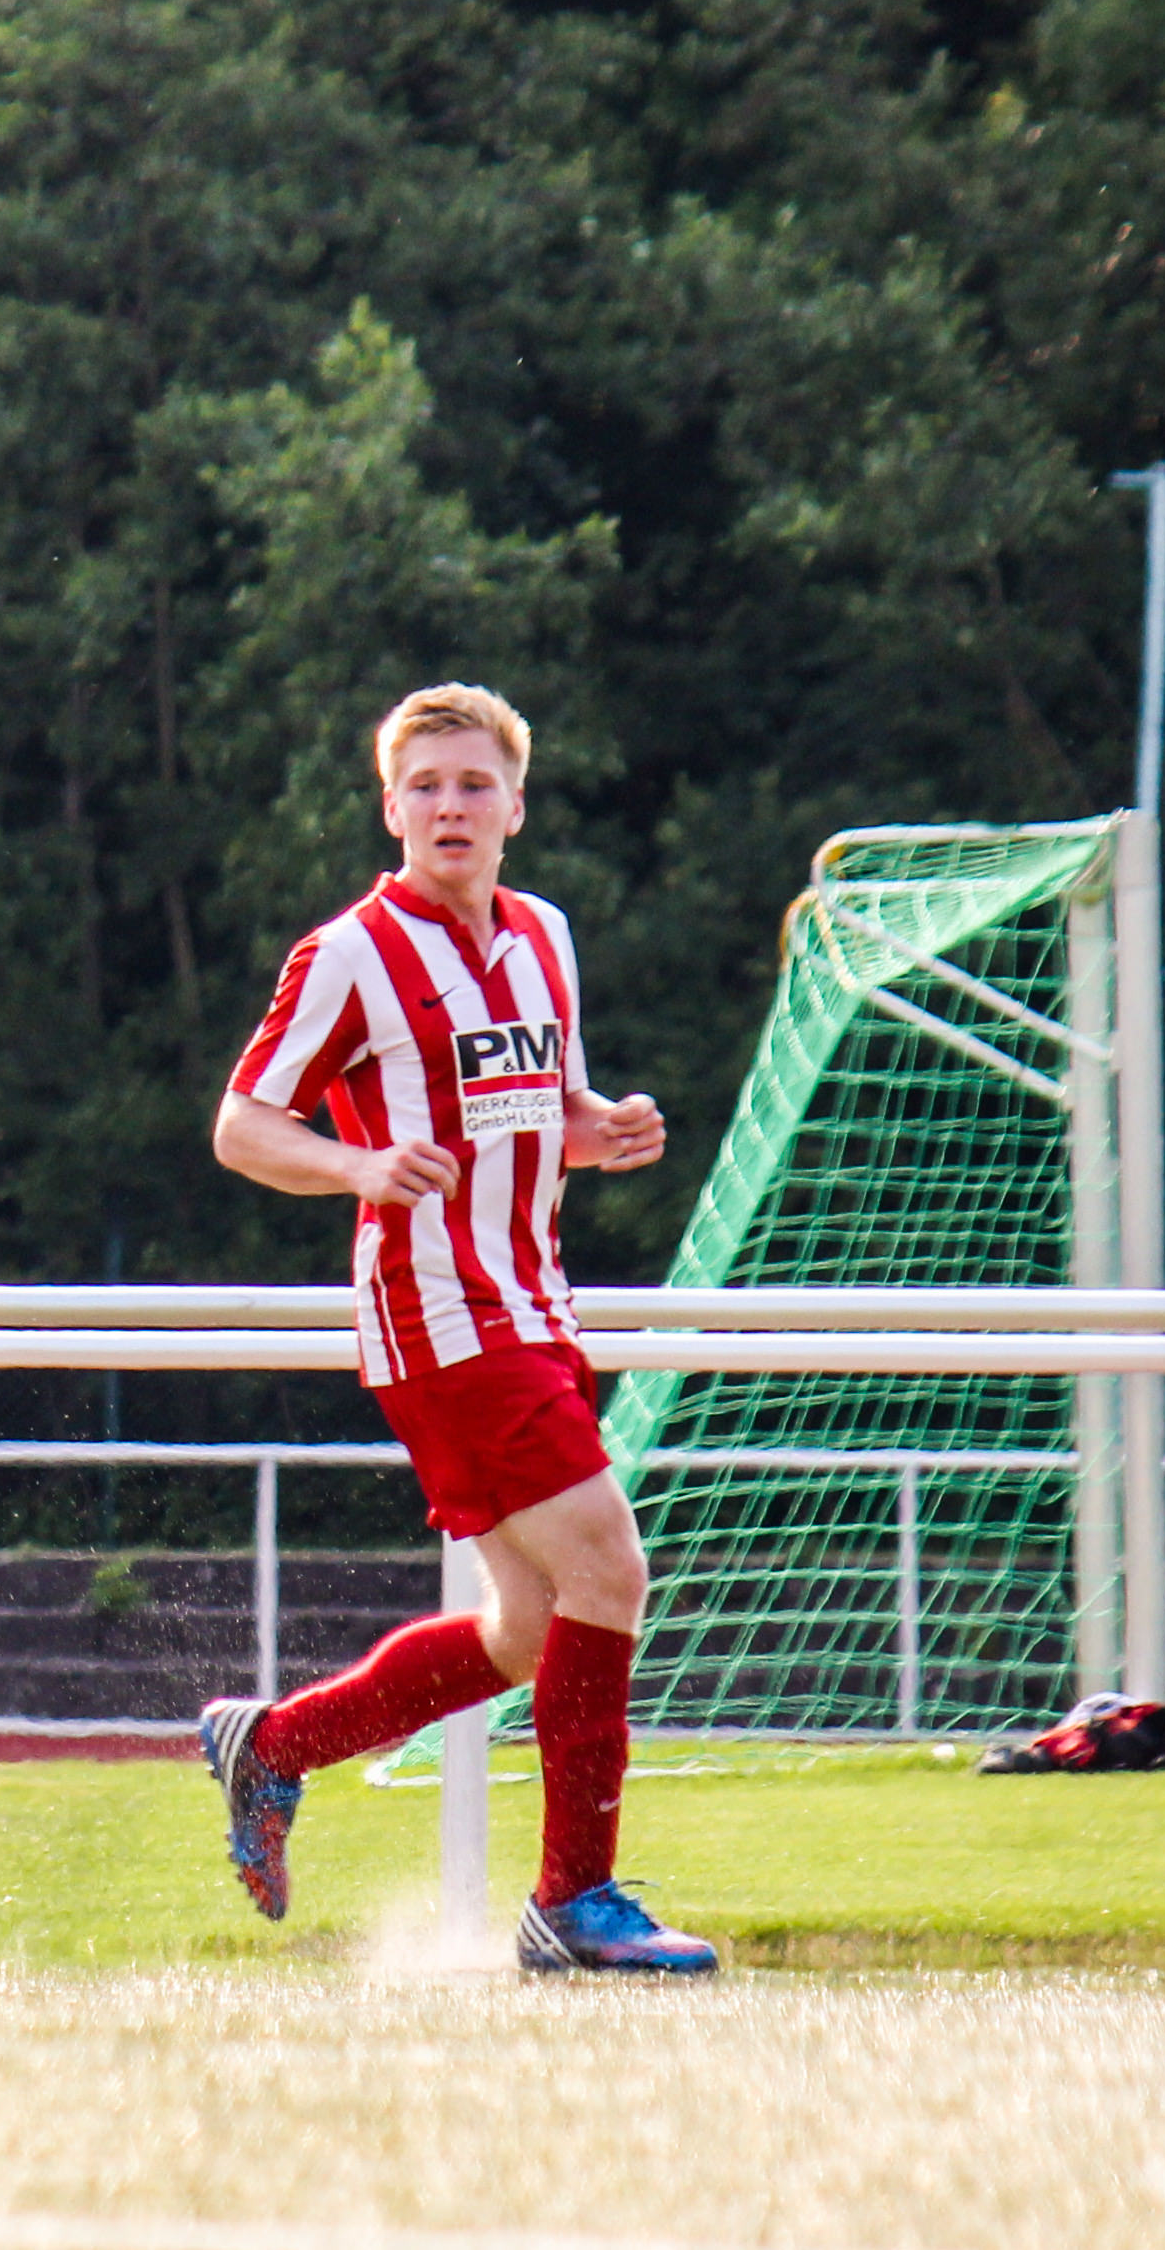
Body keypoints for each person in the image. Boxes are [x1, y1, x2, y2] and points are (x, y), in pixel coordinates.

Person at [201, 682, 714, 1975]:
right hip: (436, 1316)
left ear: (514, 807)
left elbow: (544, 1111)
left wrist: (604, 1131)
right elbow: (243, 1125)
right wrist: (358, 1167)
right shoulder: (349, 954)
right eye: (423, 786)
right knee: (610, 1568)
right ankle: (572, 1902)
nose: (449, 806)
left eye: (473, 784)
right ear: (389, 808)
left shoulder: (543, 934)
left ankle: (275, 1746)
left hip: (535, 1304)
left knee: (531, 1628)